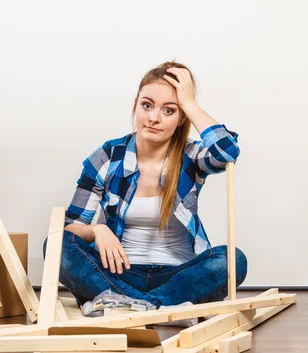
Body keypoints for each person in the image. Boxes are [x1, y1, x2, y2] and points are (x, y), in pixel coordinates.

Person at [43, 61, 247, 310]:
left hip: (178, 275)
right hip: (117, 272)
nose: (153, 118)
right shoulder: (108, 156)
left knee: (232, 260)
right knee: (56, 247)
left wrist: (190, 103)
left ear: (182, 117)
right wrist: (98, 230)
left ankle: (123, 305)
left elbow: (227, 152)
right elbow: (69, 230)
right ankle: (163, 309)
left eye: (169, 111)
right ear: (136, 104)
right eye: (147, 105)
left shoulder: (191, 155)